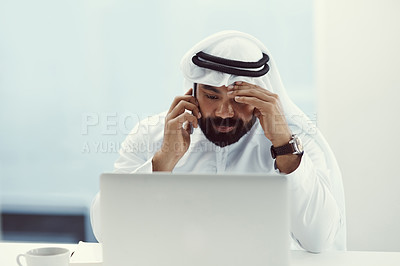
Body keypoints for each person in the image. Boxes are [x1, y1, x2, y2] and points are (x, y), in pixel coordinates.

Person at [90, 30, 346, 253]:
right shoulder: (151, 135)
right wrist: (163, 161)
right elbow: (107, 231)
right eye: (212, 96)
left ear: (262, 96)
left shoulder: (294, 141)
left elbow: (319, 240)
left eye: (238, 98)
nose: (225, 111)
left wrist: (284, 146)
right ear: (193, 92)